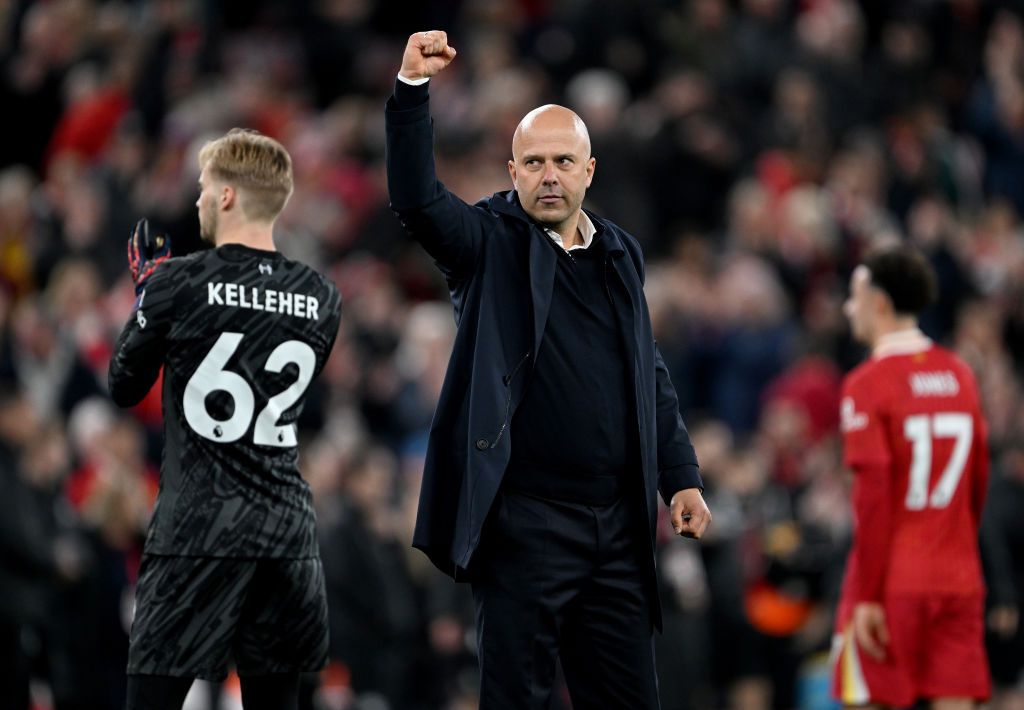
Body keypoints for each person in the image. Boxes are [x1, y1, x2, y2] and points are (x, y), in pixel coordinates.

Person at [385, 31, 712, 709]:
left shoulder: (622, 253)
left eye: (564, 160)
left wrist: (680, 478)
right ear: (512, 172)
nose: (549, 175)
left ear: (590, 171)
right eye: (533, 163)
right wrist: (412, 92)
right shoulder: (486, 243)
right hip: (527, 525)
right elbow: (417, 201)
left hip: (618, 526)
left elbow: (646, 369)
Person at [108, 129, 342, 710]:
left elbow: (121, 385)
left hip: (198, 528)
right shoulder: (322, 295)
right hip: (287, 534)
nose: (197, 201)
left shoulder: (177, 281)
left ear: (230, 196)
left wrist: (146, 298)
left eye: (204, 187)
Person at [832, 246, 991, 708]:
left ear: (878, 304)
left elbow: (873, 498)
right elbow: (977, 484)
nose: (848, 308)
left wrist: (865, 594)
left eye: (854, 297)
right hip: (958, 576)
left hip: (891, 582)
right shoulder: (961, 374)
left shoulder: (867, 383)